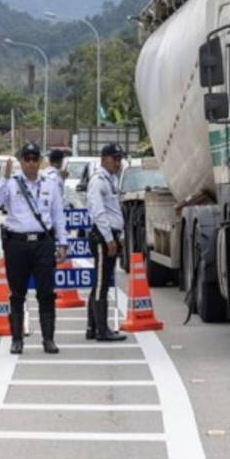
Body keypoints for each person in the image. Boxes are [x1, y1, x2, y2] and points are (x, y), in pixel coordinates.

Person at [0, 142, 68, 355]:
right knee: (17, 294)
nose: (31, 163)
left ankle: (48, 339)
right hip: (17, 244)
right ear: (21, 161)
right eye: (27, 159)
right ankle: (17, 340)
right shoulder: (11, 183)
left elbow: (58, 215)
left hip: (43, 243)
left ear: (40, 161)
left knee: (46, 293)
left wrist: (62, 243)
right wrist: (3, 179)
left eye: (35, 159)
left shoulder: (49, 184)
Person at [85, 143, 127, 341]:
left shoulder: (110, 179)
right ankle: (102, 330)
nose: (118, 162)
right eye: (114, 158)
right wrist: (109, 239)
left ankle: (92, 327)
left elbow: (114, 211)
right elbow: (98, 211)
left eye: (119, 159)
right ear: (104, 159)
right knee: (102, 284)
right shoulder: (98, 180)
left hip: (110, 235)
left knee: (100, 283)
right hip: (103, 237)